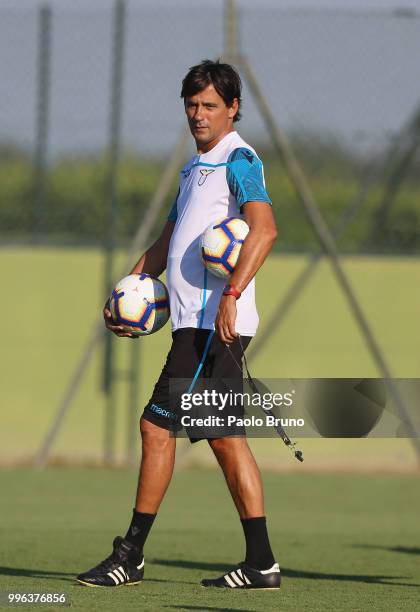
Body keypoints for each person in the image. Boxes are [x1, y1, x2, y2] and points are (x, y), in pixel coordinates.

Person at [77, 59, 280, 590]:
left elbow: (264, 230)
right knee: (224, 438)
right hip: (193, 325)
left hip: (214, 328)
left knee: (157, 426)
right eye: (192, 104)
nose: (199, 114)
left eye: (210, 105)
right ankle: (261, 564)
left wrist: (232, 294)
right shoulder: (195, 169)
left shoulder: (239, 160)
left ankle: (130, 555)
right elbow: (169, 241)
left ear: (233, 108)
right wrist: (128, 288)